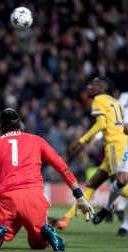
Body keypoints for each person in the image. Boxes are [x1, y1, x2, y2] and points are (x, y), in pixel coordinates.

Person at [0, 108, 94, 252]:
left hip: (9, 199)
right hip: (34, 197)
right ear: (20, 123)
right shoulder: (37, 140)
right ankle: (45, 231)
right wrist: (79, 196)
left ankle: (0, 232)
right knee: (39, 243)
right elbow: (62, 167)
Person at [49, 76, 128, 229]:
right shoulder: (115, 101)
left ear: (102, 89)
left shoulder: (99, 99)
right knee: (91, 185)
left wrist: (80, 141)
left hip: (114, 146)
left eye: (95, 84)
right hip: (118, 145)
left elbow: (101, 124)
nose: (90, 86)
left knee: (117, 184)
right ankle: (65, 219)